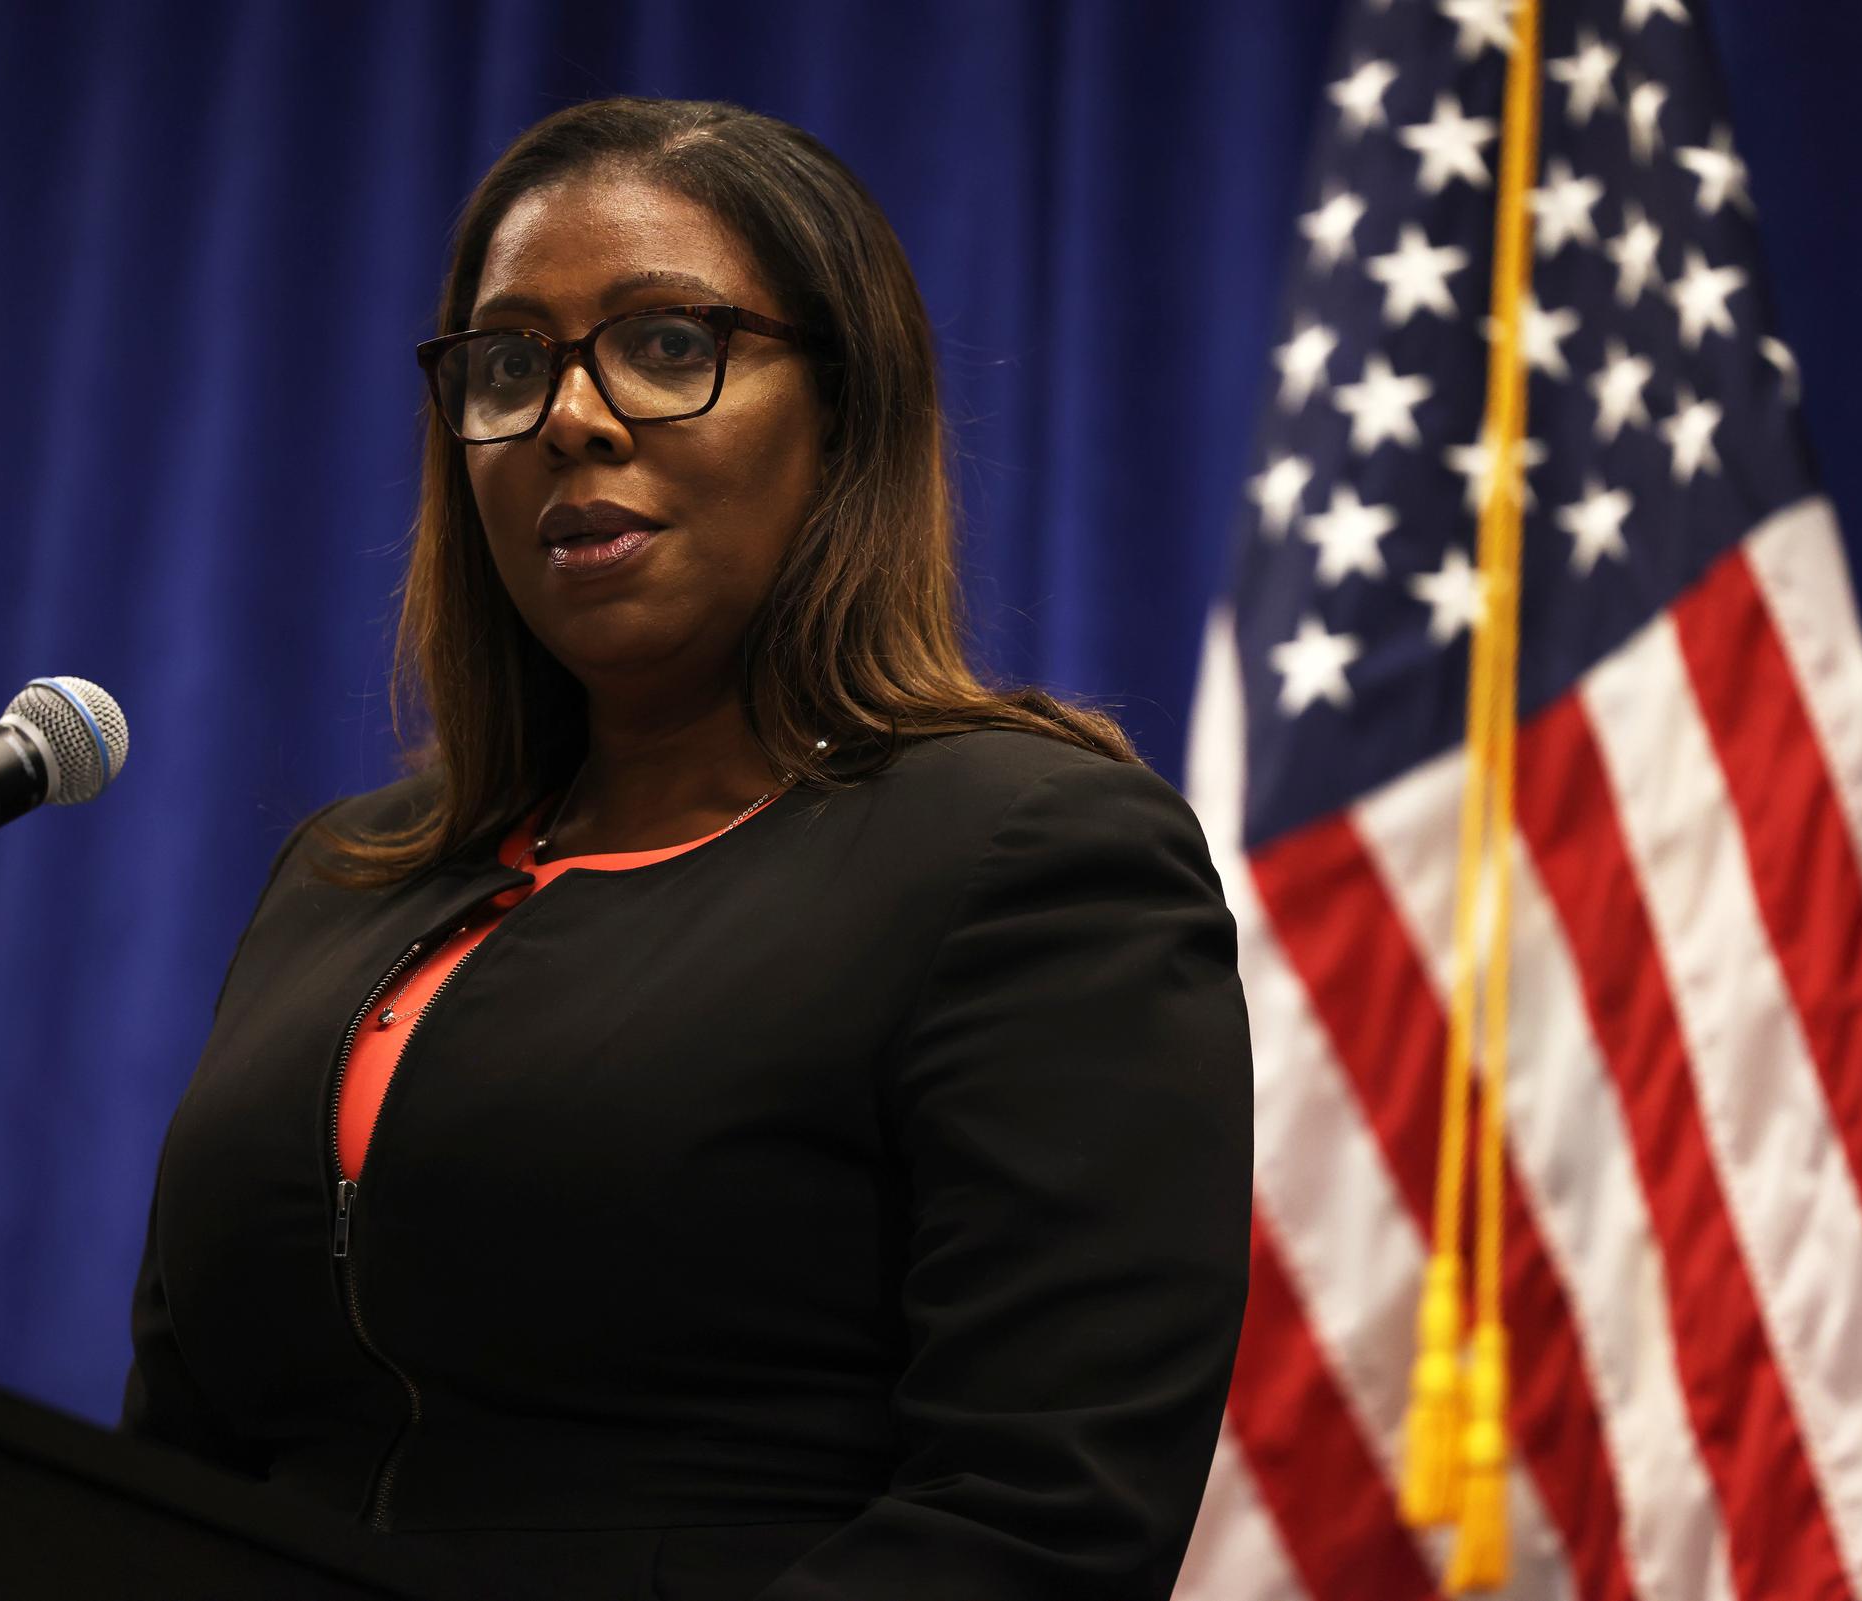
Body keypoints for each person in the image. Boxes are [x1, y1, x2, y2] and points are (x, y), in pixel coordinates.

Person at [121, 96, 1252, 1601]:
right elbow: (173, 1473)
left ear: (841, 411)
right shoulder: (347, 874)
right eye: (509, 365)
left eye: (667, 343)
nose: (571, 417)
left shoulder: (1028, 854)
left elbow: (1037, 1516)